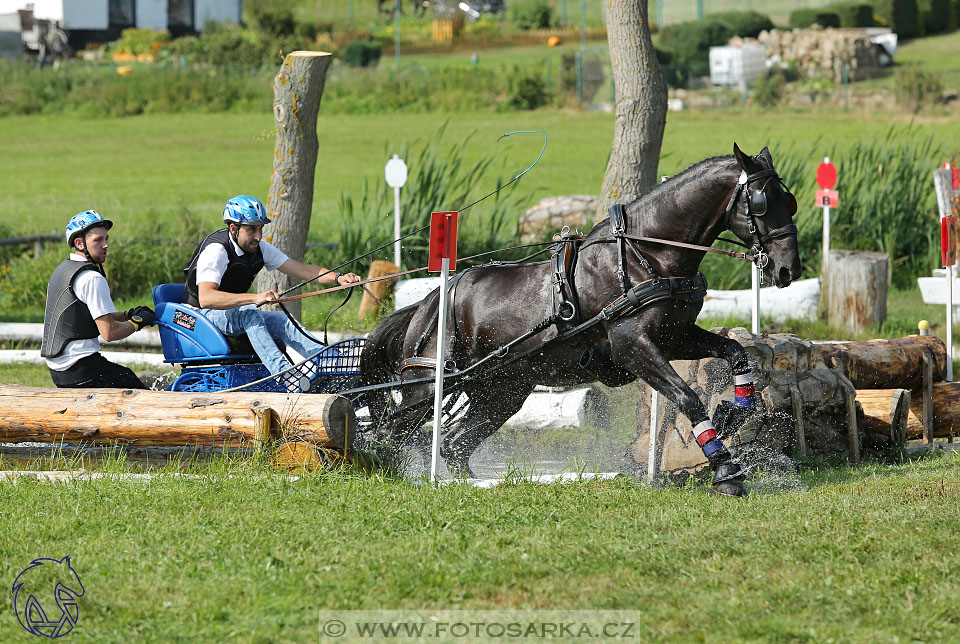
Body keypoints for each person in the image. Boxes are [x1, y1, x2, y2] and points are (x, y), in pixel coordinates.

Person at [183, 195, 361, 379]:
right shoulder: (217, 251)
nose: (258, 236)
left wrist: (338, 278)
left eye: (260, 229)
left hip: (231, 312)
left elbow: (302, 269)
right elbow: (206, 298)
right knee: (249, 313)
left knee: (282, 319)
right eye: (252, 230)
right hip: (200, 315)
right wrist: (256, 298)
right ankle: (287, 376)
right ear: (234, 228)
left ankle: (332, 364)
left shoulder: (260, 248)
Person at [41, 210, 157, 389]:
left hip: (59, 370)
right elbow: (109, 332)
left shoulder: (63, 270)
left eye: (106, 239)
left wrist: (127, 314)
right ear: (80, 243)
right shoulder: (92, 278)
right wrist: (137, 323)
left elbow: (91, 317)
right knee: (136, 390)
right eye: (98, 240)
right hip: (82, 368)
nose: (106, 245)